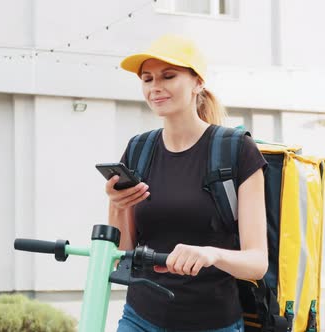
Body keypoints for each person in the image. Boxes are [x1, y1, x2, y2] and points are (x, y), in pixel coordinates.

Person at [107, 34, 268, 331]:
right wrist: (117, 206)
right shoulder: (138, 149)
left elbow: (257, 262)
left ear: (198, 83)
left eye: (168, 76)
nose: (155, 87)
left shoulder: (237, 150)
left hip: (212, 322)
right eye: (147, 79)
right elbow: (122, 255)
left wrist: (211, 254)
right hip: (140, 318)